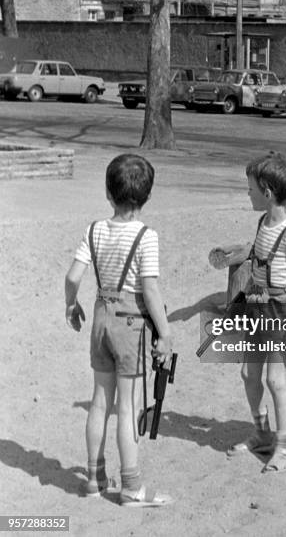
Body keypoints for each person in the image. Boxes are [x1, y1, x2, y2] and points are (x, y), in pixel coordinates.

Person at [65, 154, 174, 506]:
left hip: (100, 316)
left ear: (108, 194)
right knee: (127, 407)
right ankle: (131, 487)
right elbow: (150, 289)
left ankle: (94, 479)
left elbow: (72, 276)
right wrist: (166, 332)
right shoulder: (146, 236)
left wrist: (71, 304)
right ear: (147, 196)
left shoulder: (94, 230)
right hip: (131, 324)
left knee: (100, 401)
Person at [227, 152, 286, 472]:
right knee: (249, 374)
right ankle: (262, 433)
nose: (247, 193)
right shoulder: (263, 221)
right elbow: (255, 261)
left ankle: (284, 448)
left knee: (276, 380)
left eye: (250, 188)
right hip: (257, 306)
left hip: (281, 310)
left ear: (266, 193)